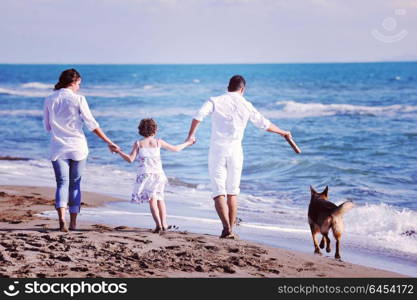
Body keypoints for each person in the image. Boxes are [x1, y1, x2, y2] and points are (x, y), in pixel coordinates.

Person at [186, 75, 292, 239]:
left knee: (218, 191)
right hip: (236, 151)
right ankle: (231, 231)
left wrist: (191, 136)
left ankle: (226, 228)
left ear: (228, 87)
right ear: (242, 89)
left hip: (217, 150)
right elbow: (265, 124)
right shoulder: (246, 104)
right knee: (232, 192)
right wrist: (283, 132)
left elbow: (198, 116)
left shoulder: (215, 100)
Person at [43, 68, 119, 232]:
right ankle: (73, 223)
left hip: (58, 147)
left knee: (61, 184)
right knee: (75, 185)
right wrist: (109, 141)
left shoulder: (49, 99)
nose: (79, 87)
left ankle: (61, 219)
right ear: (74, 82)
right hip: (78, 147)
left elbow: (47, 126)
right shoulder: (79, 99)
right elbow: (92, 124)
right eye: (79, 84)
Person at [115, 118, 194, 233]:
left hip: (146, 176)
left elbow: (130, 159)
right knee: (160, 199)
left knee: (152, 200)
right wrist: (188, 142)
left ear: (140, 130)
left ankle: (158, 225)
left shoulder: (138, 144)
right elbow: (176, 149)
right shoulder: (158, 142)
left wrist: (119, 151)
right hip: (159, 175)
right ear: (155, 130)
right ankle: (164, 224)